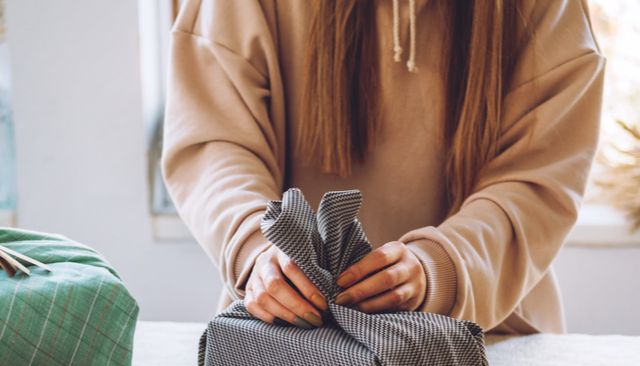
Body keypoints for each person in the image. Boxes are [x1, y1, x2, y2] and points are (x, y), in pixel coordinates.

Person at [162, 0, 605, 334]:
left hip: (491, 337)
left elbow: (536, 181)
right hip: (291, 334)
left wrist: (441, 269)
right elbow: (215, 143)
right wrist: (257, 246)